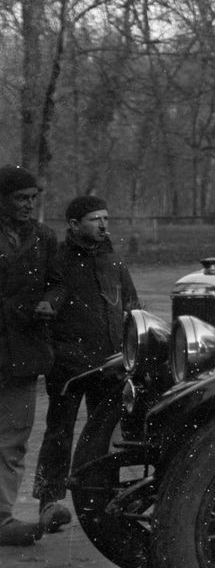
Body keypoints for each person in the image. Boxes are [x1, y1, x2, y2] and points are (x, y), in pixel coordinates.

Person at [33, 195, 139, 533]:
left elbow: (132, 308)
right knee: (60, 432)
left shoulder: (114, 261)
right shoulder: (58, 261)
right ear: (74, 225)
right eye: (95, 219)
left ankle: (103, 501)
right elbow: (46, 307)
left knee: (107, 437)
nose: (104, 224)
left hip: (109, 365)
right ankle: (49, 502)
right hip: (67, 367)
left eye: (106, 218)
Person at [0, 166, 60, 546]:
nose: (28, 205)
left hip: (23, 352)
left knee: (13, 439)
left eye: (32, 199)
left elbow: (59, 284)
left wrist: (50, 302)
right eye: (21, 198)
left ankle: (2, 519)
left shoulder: (44, 238)